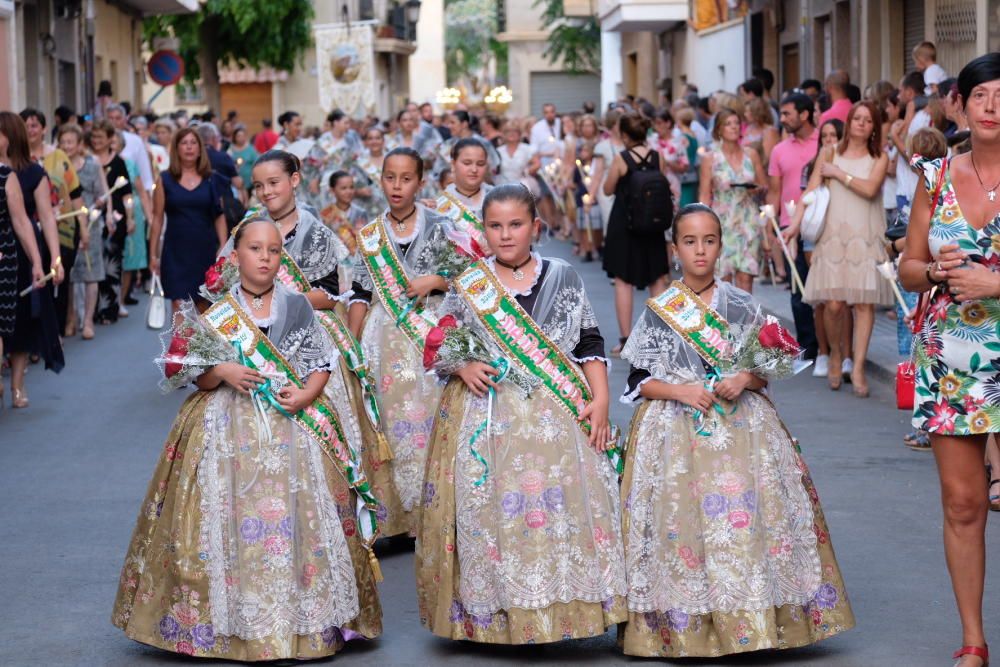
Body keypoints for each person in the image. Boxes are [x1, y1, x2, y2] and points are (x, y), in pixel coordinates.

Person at [112, 217, 382, 660]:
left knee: (297, 519)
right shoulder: (215, 311)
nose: (265, 258)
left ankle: (305, 622)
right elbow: (193, 374)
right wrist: (222, 371)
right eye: (255, 250)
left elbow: (320, 362)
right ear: (235, 258)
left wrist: (307, 394)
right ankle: (225, 625)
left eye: (274, 251)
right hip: (224, 427)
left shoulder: (296, 306)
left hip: (291, 426)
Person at [618, 202, 855, 657]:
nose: (700, 251)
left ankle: (753, 616)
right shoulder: (659, 311)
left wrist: (745, 378)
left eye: (709, 241)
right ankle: (684, 622)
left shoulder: (743, 305)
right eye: (690, 242)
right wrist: (680, 392)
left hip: (743, 430)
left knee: (741, 521)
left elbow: (768, 369)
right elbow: (638, 382)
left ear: (722, 246)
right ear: (674, 249)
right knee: (683, 526)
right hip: (675, 433)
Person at [417, 183, 627, 643]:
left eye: (515, 225)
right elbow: (439, 342)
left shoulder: (563, 275)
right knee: (497, 514)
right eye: (495, 226)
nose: (505, 234)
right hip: (489, 417)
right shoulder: (471, 283)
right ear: (484, 229)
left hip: (558, 416)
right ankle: (499, 614)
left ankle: (568, 607)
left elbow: (588, 342)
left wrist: (601, 401)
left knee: (558, 511)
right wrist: (464, 363)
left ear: (535, 227)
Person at [899, 53, 1000, 667]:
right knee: (963, 503)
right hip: (953, 358)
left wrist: (996, 286)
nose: (993, 105)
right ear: (959, 104)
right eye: (982, 94)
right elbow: (909, 265)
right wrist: (932, 270)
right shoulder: (933, 175)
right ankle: (973, 638)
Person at [353, 147, 464, 538]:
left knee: (433, 418)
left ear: (420, 182)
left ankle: (434, 511)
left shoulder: (440, 223)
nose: (397, 186)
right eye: (389, 177)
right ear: (380, 179)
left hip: (430, 335)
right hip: (383, 338)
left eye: (405, 178)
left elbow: (472, 276)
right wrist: (351, 345)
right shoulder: (370, 234)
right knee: (389, 424)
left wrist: (435, 281)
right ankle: (397, 519)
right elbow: (359, 293)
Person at [800, 101, 891, 396]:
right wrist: (793, 226)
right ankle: (838, 354)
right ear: (849, 122)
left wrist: (838, 174)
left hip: (865, 234)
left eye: (868, 120)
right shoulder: (829, 152)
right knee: (835, 304)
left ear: (874, 126)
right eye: (857, 119)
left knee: (864, 305)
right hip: (833, 237)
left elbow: (870, 189)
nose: (862, 124)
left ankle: (860, 365)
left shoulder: (880, 157)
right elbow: (811, 193)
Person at [1, 111, 64, 408]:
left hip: (24, 254)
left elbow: (46, 218)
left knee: (22, 320)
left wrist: (54, 258)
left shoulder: (33, 173)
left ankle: (17, 384)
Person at [602, 113, 672, 356]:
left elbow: (608, 189)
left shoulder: (621, 159)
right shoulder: (657, 157)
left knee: (623, 281)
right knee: (657, 279)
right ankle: (662, 335)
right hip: (652, 226)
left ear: (623, 135)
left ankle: (625, 340)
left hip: (625, 225)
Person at [149, 128, 226, 315]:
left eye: (193, 143)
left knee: (203, 306)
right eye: (184, 143)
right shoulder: (165, 180)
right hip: (175, 252)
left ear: (200, 149)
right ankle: (179, 345)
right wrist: (153, 255)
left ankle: (199, 345)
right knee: (179, 305)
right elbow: (157, 219)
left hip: (205, 251)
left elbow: (219, 215)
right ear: (176, 149)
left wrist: (224, 247)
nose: (189, 147)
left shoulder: (211, 179)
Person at [21, 107, 84, 335]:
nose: (31, 130)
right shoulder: (17, 160)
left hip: (61, 228)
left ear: (45, 128)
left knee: (57, 281)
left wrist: (83, 228)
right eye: (26, 126)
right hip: (29, 231)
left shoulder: (58, 157)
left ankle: (56, 330)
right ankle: (38, 335)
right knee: (35, 283)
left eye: (35, 125)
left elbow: (75, 194)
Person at [769, 93, 820, 360]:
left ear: (804, 114)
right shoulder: (779, 150)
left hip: (822, 226)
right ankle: (808, 347)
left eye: (787, 113)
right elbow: (774, 191)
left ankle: (829, 348)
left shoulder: (823, 143)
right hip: (791, 228)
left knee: (823, 289)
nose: (783, 119)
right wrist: (772, 225)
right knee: (798, 290)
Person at [699, 108, 767, 293]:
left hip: (748, 219)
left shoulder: (751, 154)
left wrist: (755, 188)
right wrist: (700, 227)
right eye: (728, 124)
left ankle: (746, 322)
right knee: (723, 279)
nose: (734, 127)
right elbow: (704, 194)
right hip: (722, 221)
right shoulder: (710, 158)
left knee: (746, 277)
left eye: (737, 123)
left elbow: (763, 185)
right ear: (719, 129)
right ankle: (726, 322)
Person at [60, 124, 106, 341]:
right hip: (65, 225)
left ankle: (87, 320)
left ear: (79, 145)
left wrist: (100, 203)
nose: (66, 146)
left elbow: (103, 193)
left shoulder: (91, 166)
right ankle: (70, 318)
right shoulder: (57, 167)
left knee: (90, 273)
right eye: (63, 142)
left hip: (89, 224)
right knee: (68, 273)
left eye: (70, 142)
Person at [87, 120, 132, 324]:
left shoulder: (118, 162)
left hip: (116, 218)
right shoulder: (88, 160)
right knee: (95, 262)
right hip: (93, 218)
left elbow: (126, 194)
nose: (96, 141)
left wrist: (130, 218)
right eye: (94, 137)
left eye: (100, 138)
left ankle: (110, 308)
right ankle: (94, 308)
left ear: (109, 140)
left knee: (112, 263)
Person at [304, 109, 363, 209]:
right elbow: (312, 162)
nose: (348, 126)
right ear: (336, 123)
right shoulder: (323, 140)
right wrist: (322, 162)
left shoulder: (350, 139)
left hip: (347, 180)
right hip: (327, 181)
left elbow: (358, 159)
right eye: (345, 123)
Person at [106, 105, 154, 200]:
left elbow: (144, 169)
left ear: (125, 119)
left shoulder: (135, 140)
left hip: (133, 193)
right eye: (110, 118)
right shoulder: (99, 141)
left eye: (118, 118)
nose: (113, 122)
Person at [530, 104, 565, 230]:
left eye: (552, 112)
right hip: (545, 165)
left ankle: (560, 221)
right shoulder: (537, 128)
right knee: (547, 194)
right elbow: (533, 148)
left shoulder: (561, 124)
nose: (549, 114)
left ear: (555, 112)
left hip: (561, 165)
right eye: (546, 112)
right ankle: (551, 223)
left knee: (560, 194)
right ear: (543, 113)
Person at [439, 137, 493, 221]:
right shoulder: (442, 203)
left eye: (480, 164)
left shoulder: (496, 197)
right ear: (453, 165)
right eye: (467, 163)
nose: (474, 169)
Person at [594, 109, 624, 232]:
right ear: (612, 125)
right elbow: (597, 174)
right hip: (607, 191)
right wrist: (590, 196)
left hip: (626, 189)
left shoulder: (630, 145)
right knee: (611, 224)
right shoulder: (602, 147)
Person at [574, 140, 602, 261]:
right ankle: (587, 250)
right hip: (582, 198)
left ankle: (598, 247)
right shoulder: (578, 167)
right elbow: (574, 182)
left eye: (586, 150)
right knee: (584, 227)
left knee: (596, 226)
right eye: (582, 150)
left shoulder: (596, 166)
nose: (583, 153)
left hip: (595, 199)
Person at [352, 127, 387, 220]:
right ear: (366, 142)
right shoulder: (360, 161)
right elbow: (353, 184)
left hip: (388, 207)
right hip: (366, 208)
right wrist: (359, 191)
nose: (374, 141)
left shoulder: (392, 159)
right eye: (370, 138)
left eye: (377, 138)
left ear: (383, 141)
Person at [496, 120, 540, 196]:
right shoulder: (499, 151)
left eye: (515, 131)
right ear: (504, 134)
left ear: (519, 134)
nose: (512, 133)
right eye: (508, 131)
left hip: (522, 185)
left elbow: (537, 164)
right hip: (502, 186)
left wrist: (527, 171)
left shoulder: (527, 149)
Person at [673, 106, 701, 207]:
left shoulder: (683, 137)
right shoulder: (693, 135)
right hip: (693, 173)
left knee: (685, 204)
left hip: (685, 175)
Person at [742, 97, 780, 168]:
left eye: (747, 112)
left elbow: (766, 159)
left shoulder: (769, 131)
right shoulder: (750, 128)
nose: (745, 114)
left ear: (756, 112)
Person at [227, 124, 258, 197]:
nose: (241, 138)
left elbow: (256, 163)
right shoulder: (230, 149)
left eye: (243, 136)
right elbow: (227, 164)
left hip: (249, 183)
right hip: (235, 184)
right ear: (234, 137)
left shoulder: (251, 149)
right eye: (238, 136)